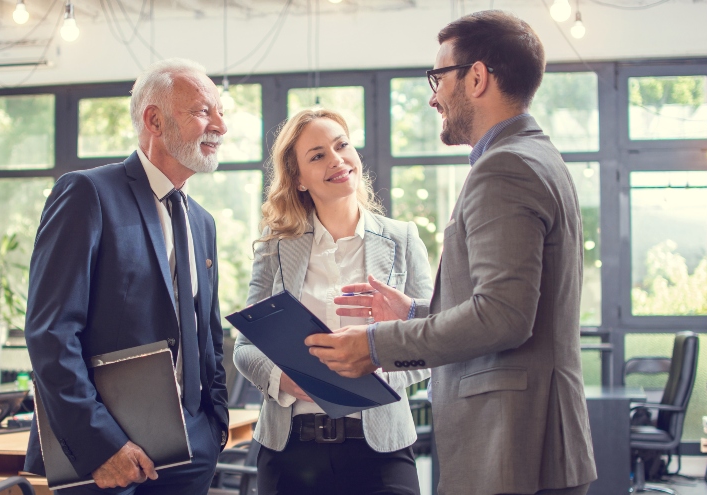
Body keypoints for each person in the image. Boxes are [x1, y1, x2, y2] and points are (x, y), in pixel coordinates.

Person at [306, 11, 598, 495]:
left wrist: (377, 345)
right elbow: (516, 304)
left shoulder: (503, 168)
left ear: (477, 77)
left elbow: (504, 317)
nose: (432, 95)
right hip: (536, 442)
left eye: (438, 77)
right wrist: (415, 311)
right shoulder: (538, 155)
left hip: (512, 447)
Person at [23, 58, 230, 494]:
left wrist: (215, 427)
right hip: (106, 458)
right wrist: (100, 447)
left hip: (193, 450)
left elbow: (207, 334)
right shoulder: (87, 193)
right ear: (154, 119)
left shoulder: (203, 222)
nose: (220, 127)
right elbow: (51, 333)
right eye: (202, 111)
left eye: (220, 111)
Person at [234, 108, 433, 495]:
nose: (337, 159)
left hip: (382, 451)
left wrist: (372, 365)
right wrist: (284, 380)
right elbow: (245, 347)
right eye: (317, 155)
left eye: (341, 145)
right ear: (299, 179)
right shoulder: (276, 245)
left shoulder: (404, 239)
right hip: (290, 450)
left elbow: (432, 341)